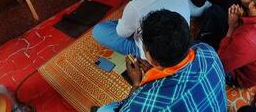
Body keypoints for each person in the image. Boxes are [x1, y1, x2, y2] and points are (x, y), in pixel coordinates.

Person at [96, 10, 227, 111]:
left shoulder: (144, 102)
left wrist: (136, 84)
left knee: (104, 110)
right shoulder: (207, 51)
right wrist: (155, 71)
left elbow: (128, 108)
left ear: (151, 58)